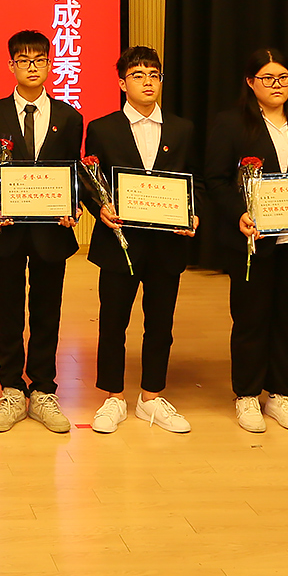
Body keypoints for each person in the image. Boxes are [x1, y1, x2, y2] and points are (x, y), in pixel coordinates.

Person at [203, 48, 288, 434]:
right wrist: (238, 214)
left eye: (283, 78)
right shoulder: (231, 124)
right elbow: (215, 179)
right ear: (250, 82)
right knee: (251, 318)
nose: (276, 85)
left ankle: (280, 392)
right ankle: (246, 394)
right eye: (267, 78)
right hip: (253, 240)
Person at [82, 47, 198, 435]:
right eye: (138, 75)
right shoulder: (102, 128)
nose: (147, 81)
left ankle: (151, 397)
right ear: (122, 83)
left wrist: (194, 213)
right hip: (120, 243)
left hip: (167, 243)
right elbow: (90, 181)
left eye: (154, 74)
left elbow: (194, 180)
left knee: (160, 323)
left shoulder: (182, 129)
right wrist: (100, 207)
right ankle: (113, 397)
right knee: (113, 322)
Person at [0, 31, 83, 434]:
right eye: (24, 60)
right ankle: (11, 388)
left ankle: (43, 389)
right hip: (7, 228)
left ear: (51, 63)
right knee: (8, 312)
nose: (32, 67)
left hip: (52, 231)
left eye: (40, 59)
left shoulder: (69, 117)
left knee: (47, 312)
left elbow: (73, 170)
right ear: (11, 66)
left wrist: (73, 203)